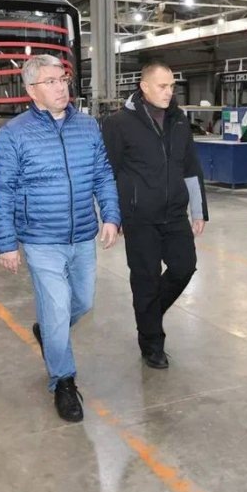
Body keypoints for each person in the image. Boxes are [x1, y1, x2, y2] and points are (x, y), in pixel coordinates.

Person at [0, 55, 120, 423]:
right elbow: (2, 190)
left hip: (82, 235)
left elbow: (102, 174)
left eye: (63, 79)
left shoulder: (88, 127)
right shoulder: (14, 133)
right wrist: (6, 243)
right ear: (32, 90)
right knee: (59, 309)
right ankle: (63, 381)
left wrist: (111, 215)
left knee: (83, 301)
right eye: (51, 82)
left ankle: (48, 330)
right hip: (41, 239)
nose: (61, 87)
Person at [102, 62, 208, 369]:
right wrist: (112, 216)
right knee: (145, 279)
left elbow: (190, 167)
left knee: (184, 267)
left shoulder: (179, 120)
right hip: (139, 217)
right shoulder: (118, 123)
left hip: (174, 214)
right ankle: (151, 343)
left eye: (172, 86)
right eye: (162, 86)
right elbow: (108, 172)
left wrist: (198, 210)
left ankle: (148, 315)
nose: (169, 92)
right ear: (144, 86)